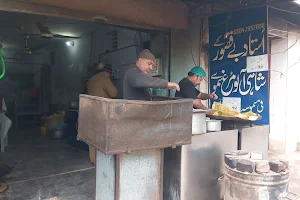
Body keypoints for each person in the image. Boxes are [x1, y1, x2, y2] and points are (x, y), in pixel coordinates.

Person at [87, 64, 118, 164]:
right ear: (108, 72)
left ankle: (93, 159)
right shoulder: (104, 78)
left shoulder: (91, 79)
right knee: (104, 135)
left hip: (91, 110)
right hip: (102, 110)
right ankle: (104, 161)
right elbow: (114, 93)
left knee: (93, 135)